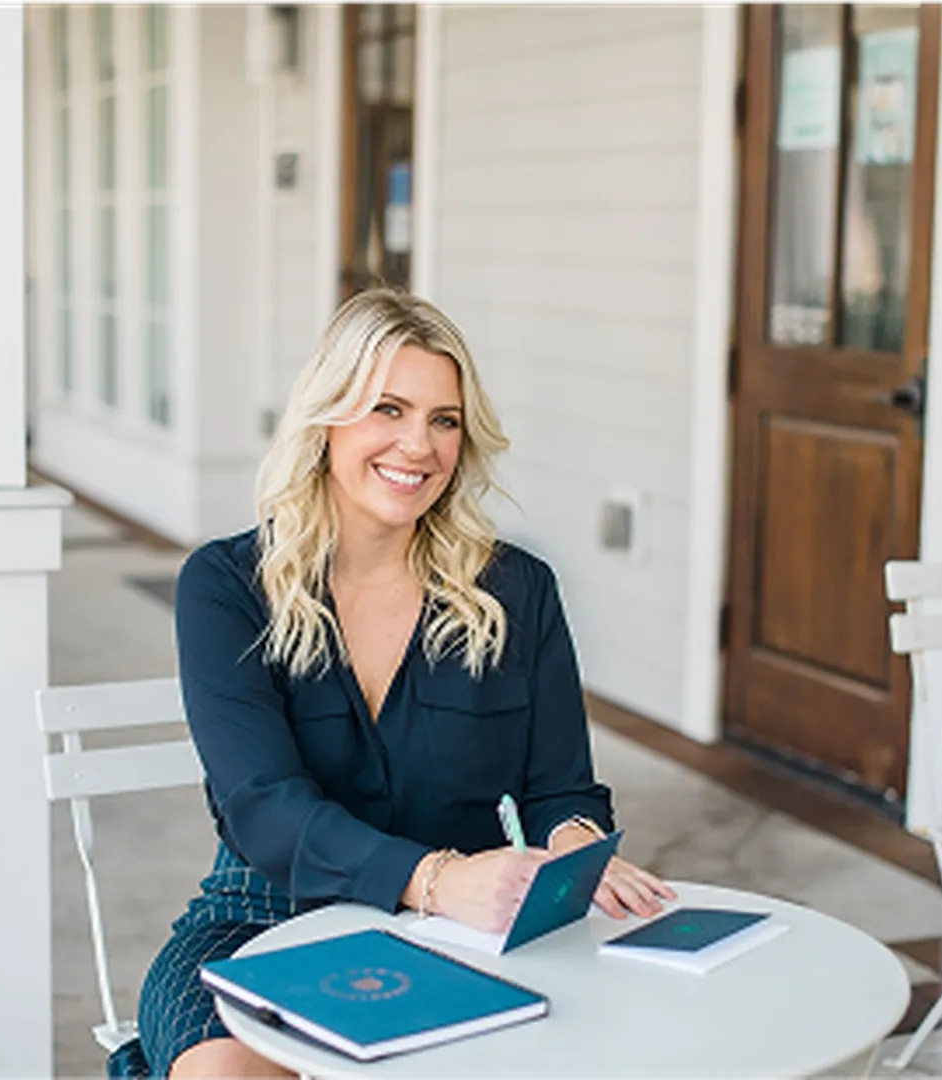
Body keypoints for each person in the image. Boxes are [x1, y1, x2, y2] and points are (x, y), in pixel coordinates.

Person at [123, 289, 674, 1080]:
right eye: (388, 409)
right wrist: (437, 879)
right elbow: (261, 808)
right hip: (258, 923)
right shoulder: (228, 585)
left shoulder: (517, 592)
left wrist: (575, 851)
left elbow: (561, 790)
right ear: (327, 419)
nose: (417, 445)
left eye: (443, 420)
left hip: (458, 942)